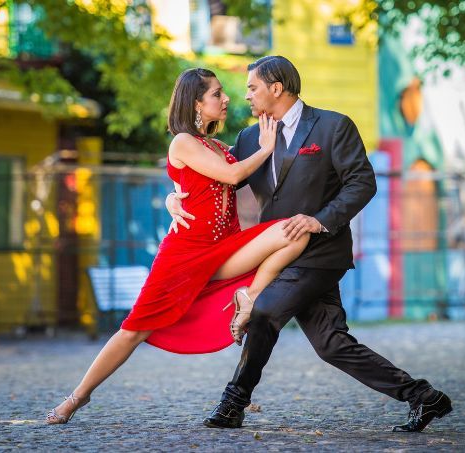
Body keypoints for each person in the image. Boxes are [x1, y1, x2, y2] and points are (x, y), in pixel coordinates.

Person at [167, 56, 452, 433]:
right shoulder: (250, 138)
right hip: (278, 255)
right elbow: (213, 179)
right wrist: (175, 197)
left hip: (321, 252)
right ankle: (424, 396)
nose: (246, 95)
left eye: (253, 87)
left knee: (264, 311)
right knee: (331, 344)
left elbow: (362, 183)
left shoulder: (334, 126)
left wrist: (320, 220)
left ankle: (232, 403)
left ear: (276, 88)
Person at [45, 68, 309, 425]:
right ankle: (77, 397)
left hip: (226, 248)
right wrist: (265, 149)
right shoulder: (182, 141)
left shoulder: (216, 146)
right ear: (196, 103)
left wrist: (174, 195)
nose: (227, 98)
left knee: (296, 231)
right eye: (217, 94)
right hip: (185, 255)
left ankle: (247, 297)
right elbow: (232, 176)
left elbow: (202, 181)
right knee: (134, 330)